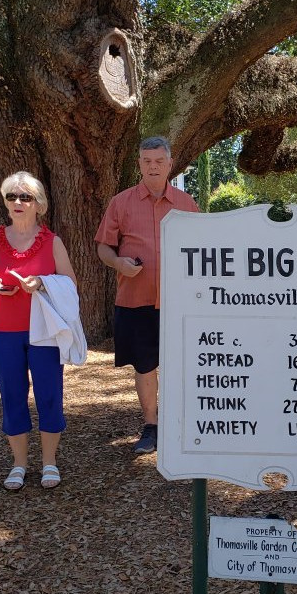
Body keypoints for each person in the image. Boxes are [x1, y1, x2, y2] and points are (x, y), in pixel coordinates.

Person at [0, 172, 78, 490]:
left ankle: (49, 462)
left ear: (38, 204)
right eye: (11, 196)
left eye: (25, 197)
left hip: (44, 331)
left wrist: (42, 282)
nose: (17, 202)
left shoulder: (52, 242)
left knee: (49, 396)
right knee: (12, 396)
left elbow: (70, 284)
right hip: (4, 332)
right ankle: (18, 464)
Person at [95, 136, 199, 454]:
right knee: (144, 366)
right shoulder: (121, 203)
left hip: (179, 304)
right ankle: (151, 425)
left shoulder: (187, 204)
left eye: (159, 161)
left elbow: (203, 249)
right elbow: (103, 247)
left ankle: (181, 424)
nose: (152, 167)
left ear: (170, 164)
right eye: (146, 161)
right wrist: (118, 263)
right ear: (139, 163)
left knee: (183, 365)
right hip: (135, 300)